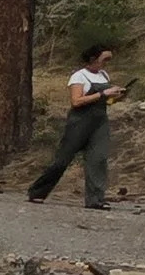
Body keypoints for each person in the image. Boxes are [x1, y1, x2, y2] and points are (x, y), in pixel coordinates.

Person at [27, 44, 124, 208]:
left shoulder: (104, 75)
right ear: (93, 59)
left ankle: (95, 199)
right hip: (79, 122)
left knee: (98, 159)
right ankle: (37, 191)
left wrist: (116, 97)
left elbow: (107, 101)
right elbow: (76, 101)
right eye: (104, 59)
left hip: (99, 122)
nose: (106, 63)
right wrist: (102, 93)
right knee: (62, 160)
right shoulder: (79, 77)